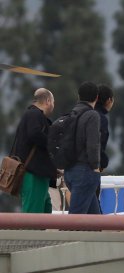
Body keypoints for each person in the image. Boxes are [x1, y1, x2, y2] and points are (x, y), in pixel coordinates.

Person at [13, 88, 57, 213]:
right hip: (34, 174)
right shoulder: (34, 114)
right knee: (33, 215)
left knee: (44, 209)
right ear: (48, 101)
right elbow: (34, 134)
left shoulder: (31, 115)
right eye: (53, 102)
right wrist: (53, 143)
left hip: (38, 175)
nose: (53, 106)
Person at [63, 81, 101, 214]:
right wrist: (96, 167)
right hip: (85, 172)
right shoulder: (92, 115)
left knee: (95, 221)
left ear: (78, 97)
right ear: (96, 98)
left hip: (69, 171)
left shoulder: (71, 114)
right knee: (75, 221)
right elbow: (93, 144)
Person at [94, 84, 114, 203]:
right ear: (109, 100)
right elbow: (98, 145)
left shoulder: (84, 114)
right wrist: (103, 162)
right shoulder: (100, 118)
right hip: (92, 170)